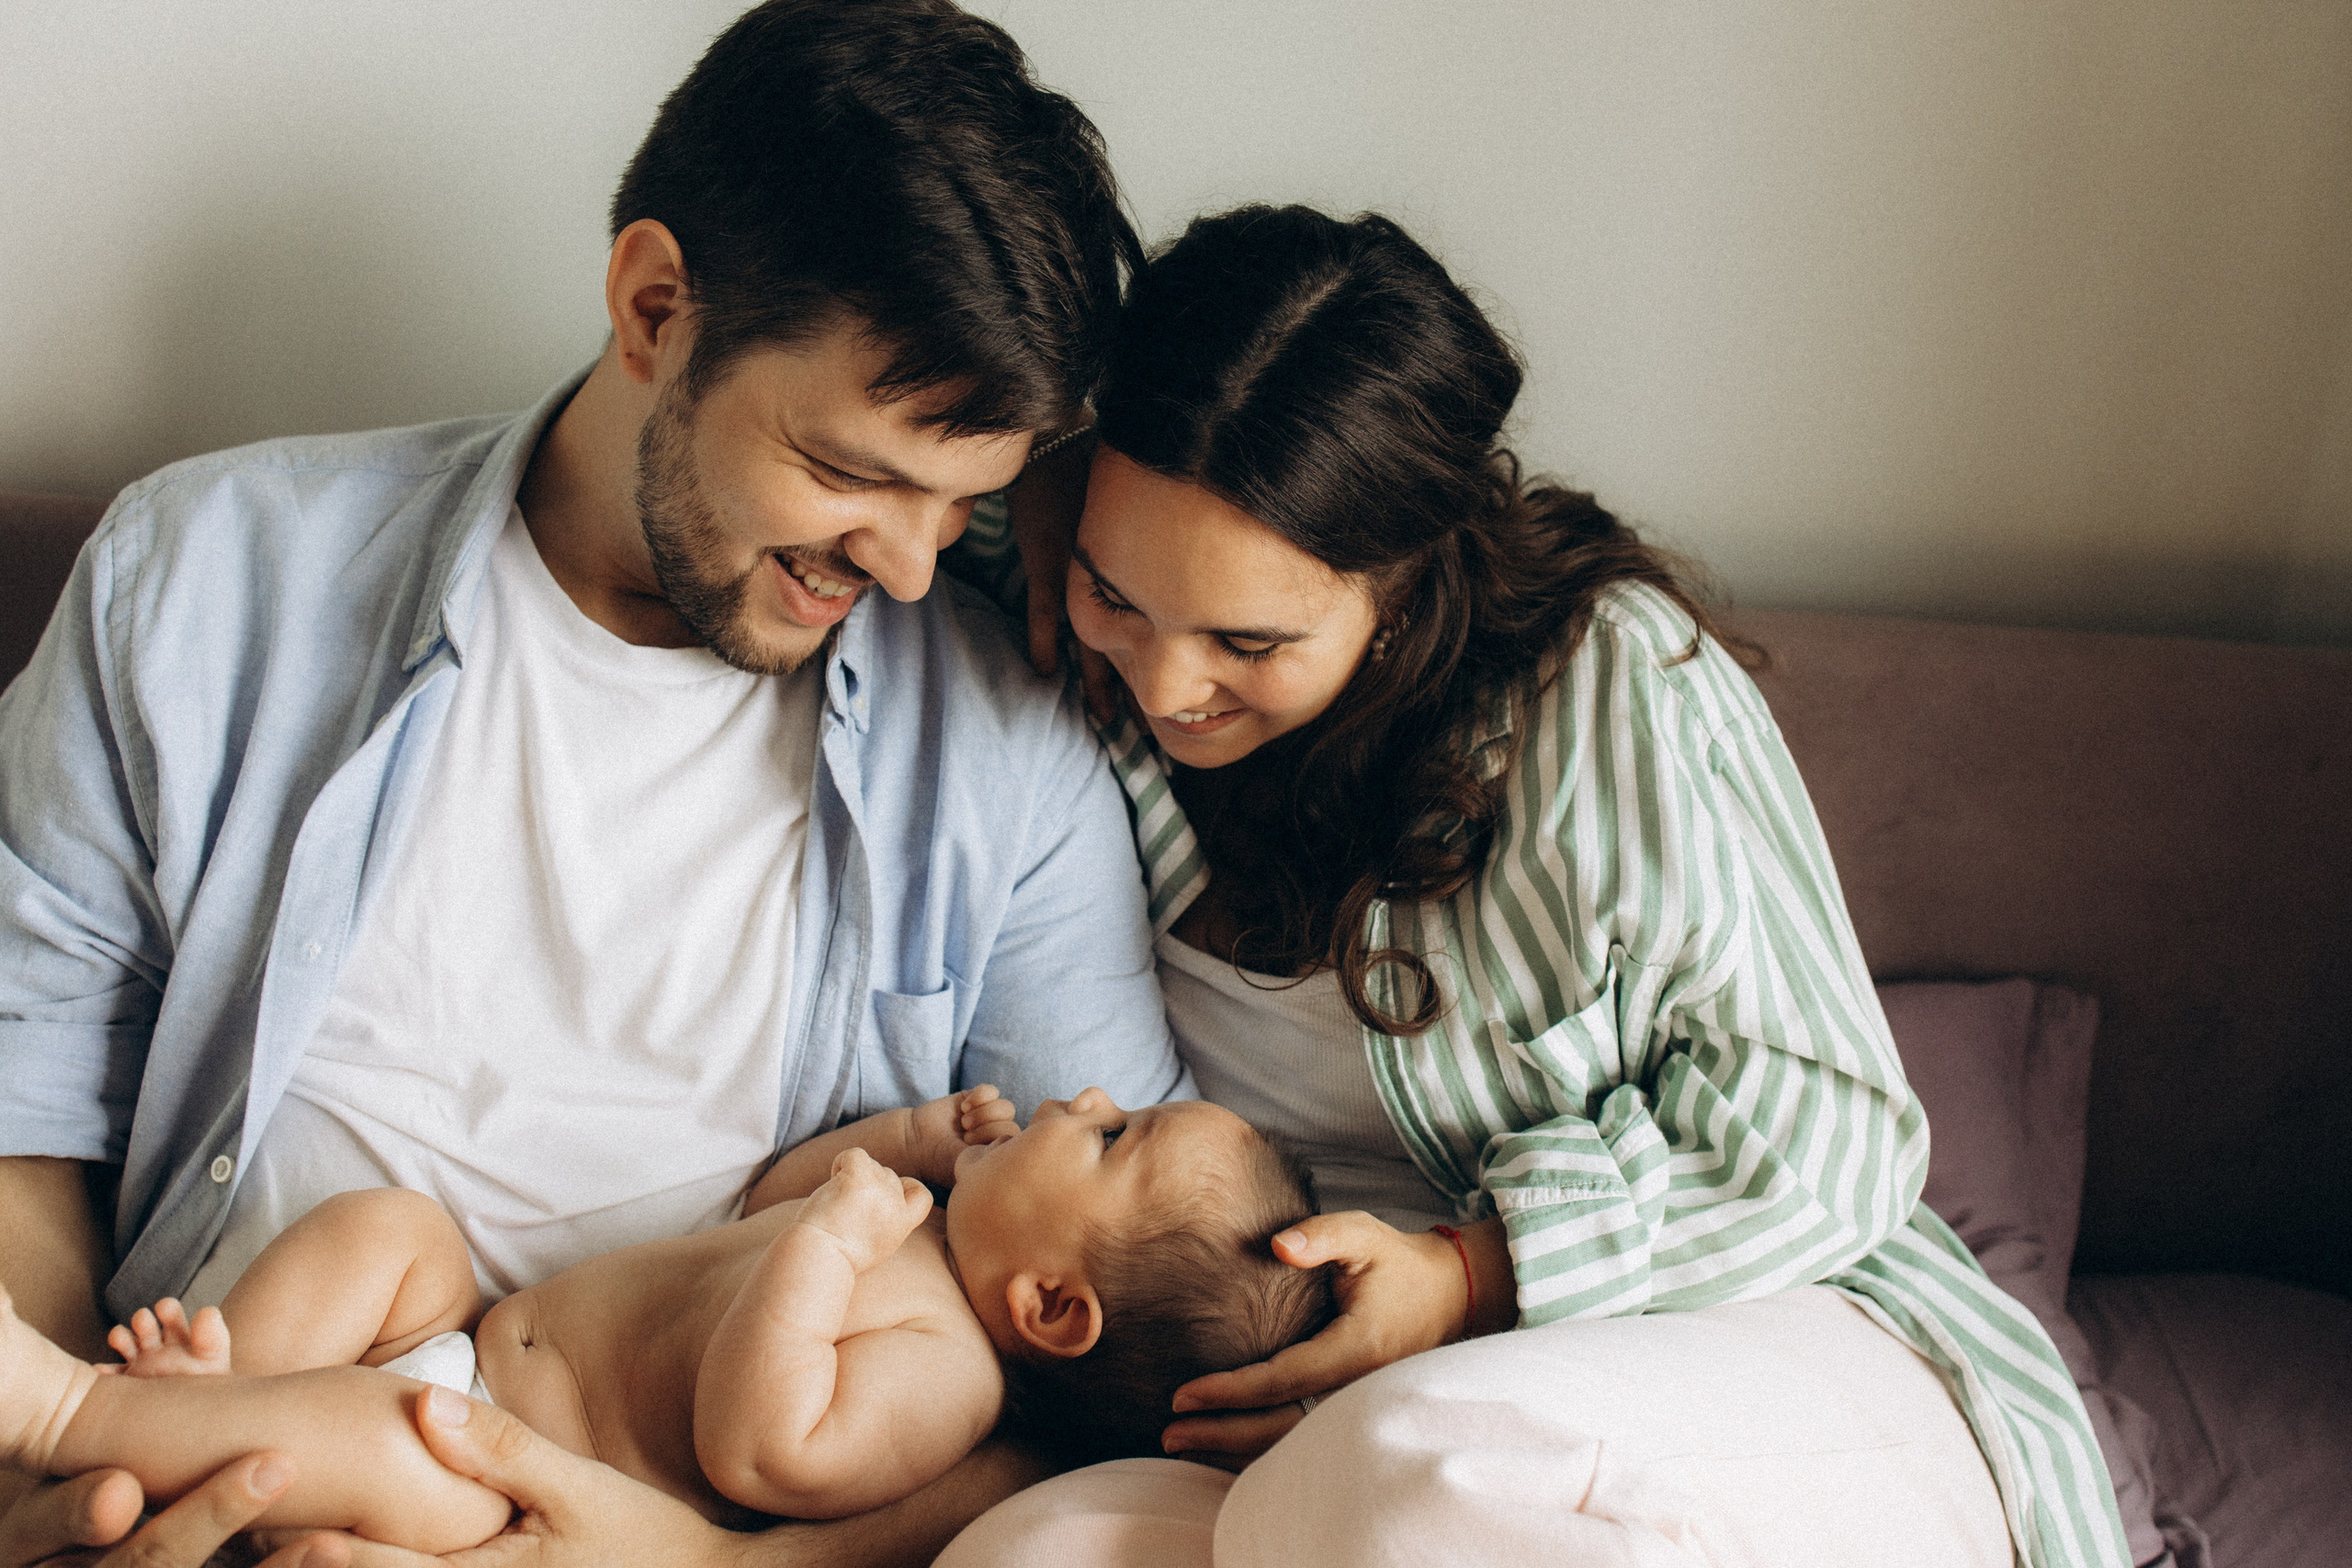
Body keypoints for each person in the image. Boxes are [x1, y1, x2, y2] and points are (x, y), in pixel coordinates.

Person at [0, 4, 1191, 1564]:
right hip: (201, 1428)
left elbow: (1103, 1360)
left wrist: (715, 1565)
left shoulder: (1009, 761)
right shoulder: (208, 583)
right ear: (654, 307)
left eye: (964, 499)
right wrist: (63, 1489)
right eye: (850, 474)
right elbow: (25, 1121)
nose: (909, 569)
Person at [944, 204, 2132, 1567]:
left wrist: (1471, 1274)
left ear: (1400, 589)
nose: (1161, 686)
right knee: (1027, 1553)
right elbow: (892, 448)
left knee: (1429, 1486)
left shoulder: (1603, 689)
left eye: (1245, 639)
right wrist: (1037, 481)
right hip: (1317, 1398)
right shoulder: (1064, 601)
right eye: (1119, 598)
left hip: (1721, 1321)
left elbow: (1837, 1132)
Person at [3, 1088, 1335, 1549]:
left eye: (1108, 1139)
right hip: (472, 1325)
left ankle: (67, 1406)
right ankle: (215, 1389)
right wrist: (906, 1142)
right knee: (388, 1228)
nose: (1075, 1099)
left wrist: (829, 1248)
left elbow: (767, 1447)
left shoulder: (946, 1382)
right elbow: (764, 1193)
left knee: (397, 1430)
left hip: (500, 1480)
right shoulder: (913, 1215)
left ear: (1051, 1307)